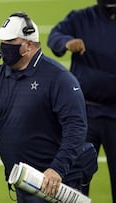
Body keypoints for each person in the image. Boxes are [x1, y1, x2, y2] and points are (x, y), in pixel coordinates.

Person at [0, 12, 97, 203]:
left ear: (28, 45)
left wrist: (57, 168)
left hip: (56, 181)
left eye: (9, 41)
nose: (3, 46)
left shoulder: (58, 78)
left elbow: (76, 127)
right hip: (24, 181)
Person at [47, 0, 116, 201]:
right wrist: (67, 43)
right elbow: (55, 36)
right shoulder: (81, 18)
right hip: (85, 114)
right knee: (75, 177)